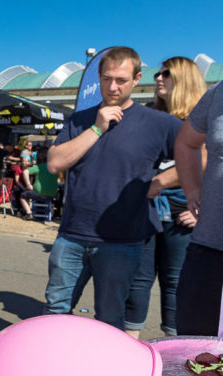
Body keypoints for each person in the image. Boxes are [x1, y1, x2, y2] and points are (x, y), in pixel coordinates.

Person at [43, 47, 182, 330]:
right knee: (55, 312)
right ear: (99, 77)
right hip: (71, 235)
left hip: (122, 240)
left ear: (136, 79)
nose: (113, 86)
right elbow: (55, 163)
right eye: (106, 79)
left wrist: (158, 183)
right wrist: (96, 129)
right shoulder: (80, 120)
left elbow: (200, 157)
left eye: (120, 80)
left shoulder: (159, 123)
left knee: (109, 319)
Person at [124, 57, 206, 339]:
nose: (158, 78)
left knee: (175, 283)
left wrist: (200, 211)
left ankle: (174, 349)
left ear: (185, 79)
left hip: (183, 211)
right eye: (158, 73)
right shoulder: (150, 115)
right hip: (145, 210)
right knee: (138, 279)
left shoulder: (201, 116)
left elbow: (206, 160)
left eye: (166, 74)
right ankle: (128, 345)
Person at [174, 81, 223, 336]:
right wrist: (193, 190)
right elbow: (186, 142)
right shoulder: (218, 93)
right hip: (209, 250)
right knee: (195, 349)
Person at [19, 147, 58, 220]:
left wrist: (28, 184)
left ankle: (28, 213)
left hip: (39, 194)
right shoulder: (54, 167)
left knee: (23, 195)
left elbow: (25, 172)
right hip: (52, 195)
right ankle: (54, 213)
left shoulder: (38, 167)